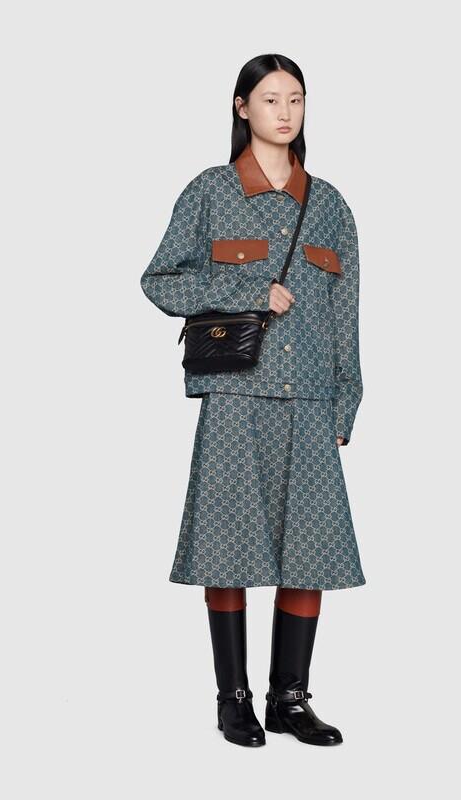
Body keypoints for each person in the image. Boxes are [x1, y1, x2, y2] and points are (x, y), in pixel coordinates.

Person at [140, 54, 366, 747]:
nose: (285, 112)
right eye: (270, 99)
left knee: (313, 551)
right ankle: (232, 698)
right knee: (227, 549)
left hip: (311, 400)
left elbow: (347, 312)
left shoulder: (329, 205)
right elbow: (159, 280)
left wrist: (346, 401)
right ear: (242, 107)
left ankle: (289, 700)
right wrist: (248, 291)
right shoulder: (210, 192)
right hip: (235, 399)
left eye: (296, 99)